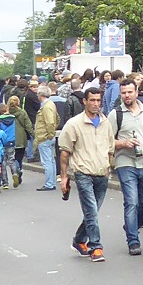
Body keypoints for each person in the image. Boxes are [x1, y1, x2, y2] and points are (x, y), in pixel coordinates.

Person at [56, 87, 115, 263]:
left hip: (102, 173)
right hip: (83, 173)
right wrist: (64, 177)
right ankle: (95, 246)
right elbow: (65, 152)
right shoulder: (74, 124)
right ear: (85, 101)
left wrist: (109, 167)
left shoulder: (105, 123)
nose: (96, 104)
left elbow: (110, 148)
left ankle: (79, 239)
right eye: (92, 100)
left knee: (93, 211)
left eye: (98, 100)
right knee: (91, 211)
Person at [108, 84, 143, 255]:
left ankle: (132, 225)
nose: (127, 95)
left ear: (136, 92)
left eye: (129, 92)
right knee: (131, 202)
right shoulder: (116, 114)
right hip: (125, 163)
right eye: (123, 93)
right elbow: (106, 140)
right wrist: (123, 143)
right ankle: (133, 241)